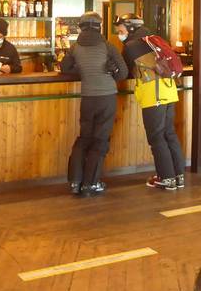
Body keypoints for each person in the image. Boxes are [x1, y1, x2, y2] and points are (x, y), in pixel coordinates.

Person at [115, 13, 185, 191]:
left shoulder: (131, 46)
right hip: (169, 90)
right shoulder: (153, 39)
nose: (119, 34)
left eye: (121, 31)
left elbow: (123, 71)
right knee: (169, 134)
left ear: (130, 28)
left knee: (156, 137)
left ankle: (166, 179)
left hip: (153, 94)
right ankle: (178, 176)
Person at [61, 12, 127, 197]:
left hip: (88, 98)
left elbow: (65, 68)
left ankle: (75, 182)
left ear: (81, 27)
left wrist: (83, 70)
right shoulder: (107, 46)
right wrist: (110, 73)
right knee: (100, 140)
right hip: (107, 97)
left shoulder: (75, 47)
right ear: (99, 27)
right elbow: (123, 72)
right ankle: (91, 184)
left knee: (84, 138)